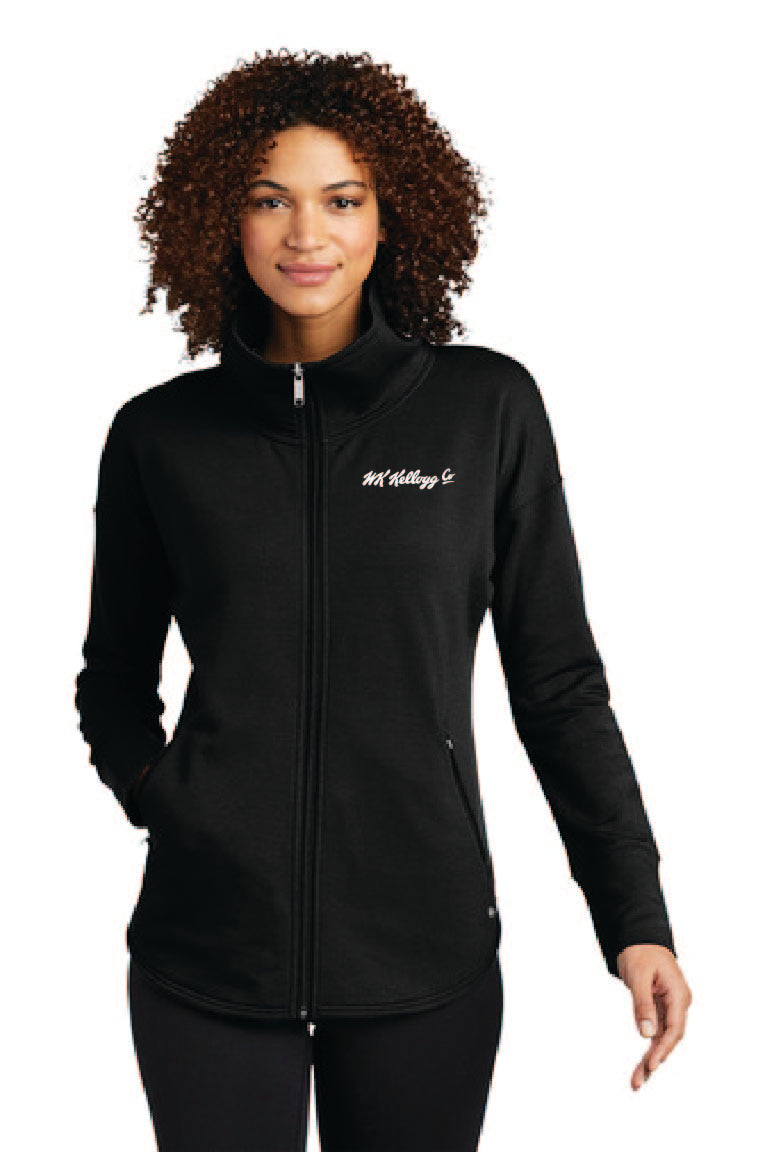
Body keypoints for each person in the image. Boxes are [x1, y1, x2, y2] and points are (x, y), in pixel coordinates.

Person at [74, 48, 691, 1151]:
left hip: (424, 949)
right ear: (223, 217)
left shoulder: (483, 409)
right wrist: (171, 800)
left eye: (341, 199)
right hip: (206, 953)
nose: (306, 235)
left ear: (390, 213)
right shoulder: (161, 436)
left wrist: (631, 916)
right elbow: (112, 676)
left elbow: (557, 685)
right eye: (270, 199)